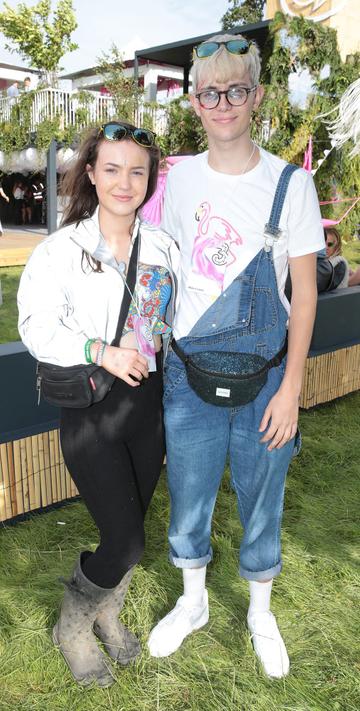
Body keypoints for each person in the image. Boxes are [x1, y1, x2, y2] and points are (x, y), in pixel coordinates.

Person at [147, 34, 325, 678]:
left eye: (237, 91)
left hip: (268, 375)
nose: (224, 103)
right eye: (210, 92)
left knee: (262, 498)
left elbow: (303, 296)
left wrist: (292, 388)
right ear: (195, 102)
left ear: (257, 97)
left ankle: (258, 609)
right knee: (189, 495)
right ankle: (193, 603)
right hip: (187, 373)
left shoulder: (291, 184)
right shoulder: (176, 178)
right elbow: (156, 268)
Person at [17, 120, 179, 687]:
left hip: (148, 405)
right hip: (91, 410)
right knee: (126, 539)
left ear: (149, 180)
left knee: (132, 527)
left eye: (137, 171)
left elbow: (168, 319)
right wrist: (100, 350)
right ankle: (74, 625)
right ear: (91, 173)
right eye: (111, 169)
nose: (124, 182)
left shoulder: (162, 246)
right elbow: (36, 327)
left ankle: (106, 609)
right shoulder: (61, 249)